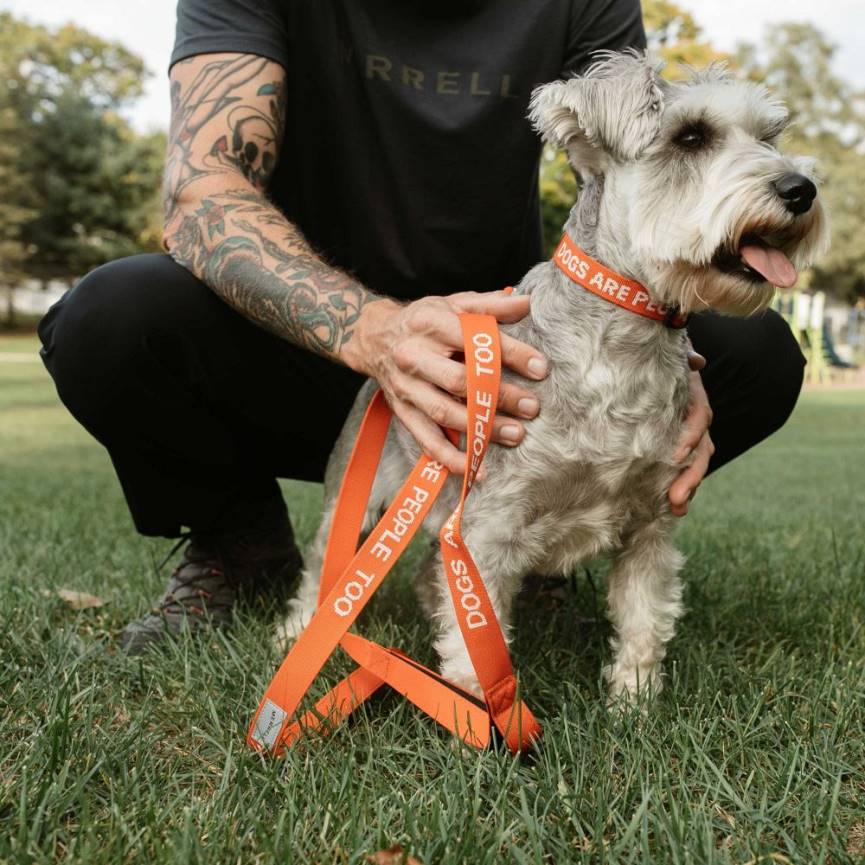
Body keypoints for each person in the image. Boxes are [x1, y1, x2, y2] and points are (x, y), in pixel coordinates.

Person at [37, 1, 805, 653]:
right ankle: (237, 540)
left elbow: (634, 184)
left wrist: (670, 348)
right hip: (303, 337)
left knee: (755, 352)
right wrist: (375, 331)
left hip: (510, 363)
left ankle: (543, 552)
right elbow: (202, 197)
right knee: (115, 317)